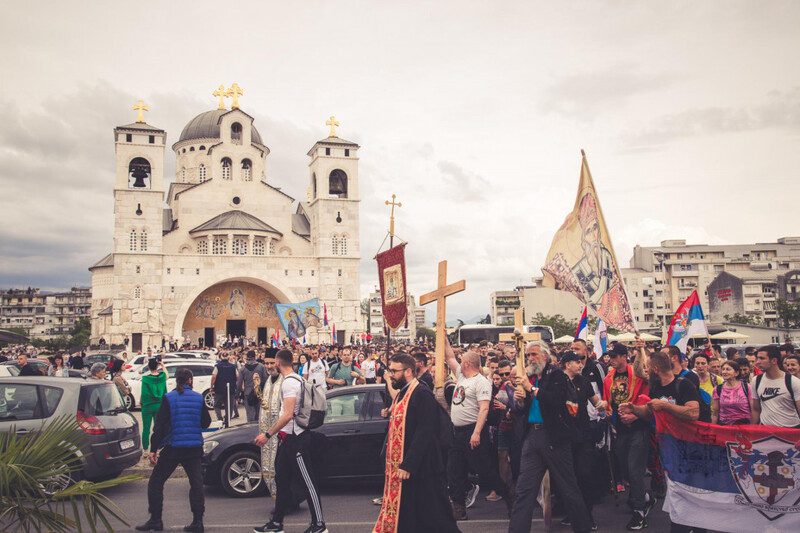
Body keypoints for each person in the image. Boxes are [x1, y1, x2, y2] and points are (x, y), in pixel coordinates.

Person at [508, 342, 593, 533]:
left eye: (534, 355)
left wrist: (531, 389)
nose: (530, 358)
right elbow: (523, 410)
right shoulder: (530, 378)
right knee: (524, 490)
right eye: (528, 355)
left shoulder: (556, 375)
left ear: (545, 357)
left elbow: (556, 401)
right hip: (532, 435)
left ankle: (583, 527)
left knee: (568, 488)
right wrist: (520, 401)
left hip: (553, 437)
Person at [373, 353, 460, 533]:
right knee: (412, 516)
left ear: (409, 372)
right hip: (408, 469)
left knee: (435, 517)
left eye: (394, 371)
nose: (391, 375)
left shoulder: (422, 393)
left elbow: (425, 431)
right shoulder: (404, 392)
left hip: (424, 467)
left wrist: (409, 464)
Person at [620, 350, 700, 533]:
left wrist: (665, 406)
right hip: (667, 446)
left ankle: (695, 524)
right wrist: (633, 408)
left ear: (655, 369)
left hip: (687, 445)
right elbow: (649, 412)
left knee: (688, 488)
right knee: (674, 488)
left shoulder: (684, 385)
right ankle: (679, 524)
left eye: (647, 369)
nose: (645, 372)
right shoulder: (655, 388)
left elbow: (693, 413)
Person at [253, 349, 327, 533]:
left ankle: (319, 524)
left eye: (272, 363)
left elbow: (287, 415)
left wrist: (267, 435)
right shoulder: (293, 379)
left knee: (307, 481)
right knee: (282, 481)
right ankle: (276, 523)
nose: (269, 365)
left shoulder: (289, 383)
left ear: (278, 363)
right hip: (286, 440)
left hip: (296, 440)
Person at [135, 368, 211, 532]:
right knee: (196, 485)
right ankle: (197, 522)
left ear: (176, 380)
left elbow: (160, 427)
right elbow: (206, 422)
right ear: (190, 380)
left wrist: (153, 450)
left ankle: (156, 520)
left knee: (156, 482)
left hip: (173, 447)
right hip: (193, 448)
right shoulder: (198, 398)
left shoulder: (168, 398)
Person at [445, 340, 511, 521]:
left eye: (462, 359)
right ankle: (459, 508)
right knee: (454, 471)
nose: (458, 360)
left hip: (472, 432)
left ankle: (510, 498)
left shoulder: (481, 382)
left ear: (467, 364)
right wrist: (442, 336)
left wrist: (476, 433)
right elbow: (449, 357)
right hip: (456, 433)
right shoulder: (462, 377)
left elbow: (484, 409)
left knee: (486, 472)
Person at [602, 343, 655, 531]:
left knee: (635, 470)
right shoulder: (609, 378)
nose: (612, 360)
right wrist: (607, 411)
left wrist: (636, 414)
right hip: (620, 428)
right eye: (610, 357)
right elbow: (608, 401)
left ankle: (639, 512)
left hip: (638, 426)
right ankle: (644, 498)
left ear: (624, 356)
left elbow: (647, 394)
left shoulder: (637, 373)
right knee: (624, 469)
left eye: (615, 356)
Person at [751, 344, 800, 428]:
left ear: (774, 361)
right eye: (757, 358)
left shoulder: (793, 382)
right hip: (766, 431)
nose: (757, 362)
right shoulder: (756, 380)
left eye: (762, 358)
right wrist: (753, 430)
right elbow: (756, 409)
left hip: (790, 431)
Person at [711, 360, 750, 425]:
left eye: (728, 369)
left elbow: (754, 410)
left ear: (736, 373)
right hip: (725, 427)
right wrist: (712, 429)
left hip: (744, 427)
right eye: (723, 369)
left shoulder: (747, 387)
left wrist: (752, 428)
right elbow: (715, 413)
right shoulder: (717, 389)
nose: (724, 372)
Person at [141, 358, 168, 451]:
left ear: (148, 367)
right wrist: (162, 365)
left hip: (148, 406)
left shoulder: (145, 379)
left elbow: (143, 394)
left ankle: (145, 450)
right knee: (158, 428)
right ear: (157, 366)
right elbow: (166, 374)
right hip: (159, 406)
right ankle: (158, 448)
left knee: (146, 429)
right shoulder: (162, 377)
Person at [238, 350, 267, 422]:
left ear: (247, 357)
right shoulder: (261, 367)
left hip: (247, 394)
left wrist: (238, 394)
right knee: (258, 416)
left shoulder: (243, 369)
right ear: (255, 357)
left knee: (250, 416)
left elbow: (239, 383)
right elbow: (265, 380)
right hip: (259, 393)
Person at [211, 352, 240, 423]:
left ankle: (220, 418)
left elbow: (214, 377)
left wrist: (211, 386)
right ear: (228, 357)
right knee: (229, 405)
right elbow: (237, 376)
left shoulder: (217, 366)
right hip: (231, 389)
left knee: (217, 405)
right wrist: (234, 383)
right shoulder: (233, 366)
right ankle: (227, 420)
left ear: (221, 357)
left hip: (219, 389)